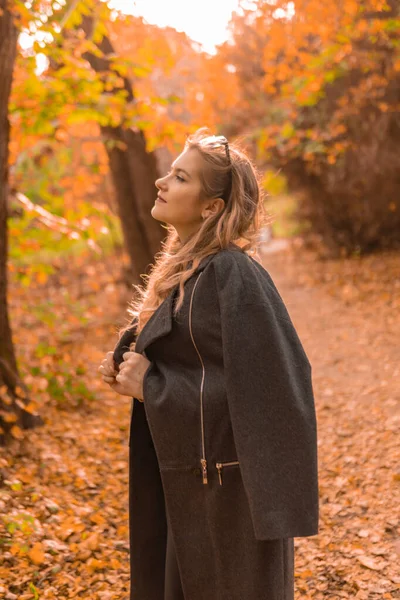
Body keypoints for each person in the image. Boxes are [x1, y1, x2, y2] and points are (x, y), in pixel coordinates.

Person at [98, 127, 319, 600]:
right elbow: (195, 359)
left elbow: (276, 391)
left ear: (210, 207)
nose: (161, 182)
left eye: (179, 177)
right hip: (190, 485)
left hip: (229, 501)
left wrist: (152, 388)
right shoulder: (187, 270)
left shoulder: (233, 273)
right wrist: (128, 362)